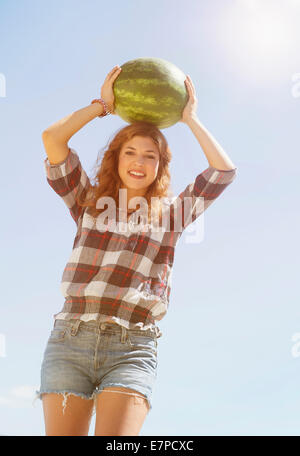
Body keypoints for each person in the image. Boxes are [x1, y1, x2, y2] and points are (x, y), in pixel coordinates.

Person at [34, 65, 238, 436]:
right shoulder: (87, 200)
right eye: (130, 152)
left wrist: (189, 119)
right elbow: (52, 139)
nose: (139, 162)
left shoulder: (172, 215)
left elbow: (222, 171)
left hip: (132, 347)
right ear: (116, 158)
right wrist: (101, 107)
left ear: (160, 166)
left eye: (150, 156)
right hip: (70, 339)